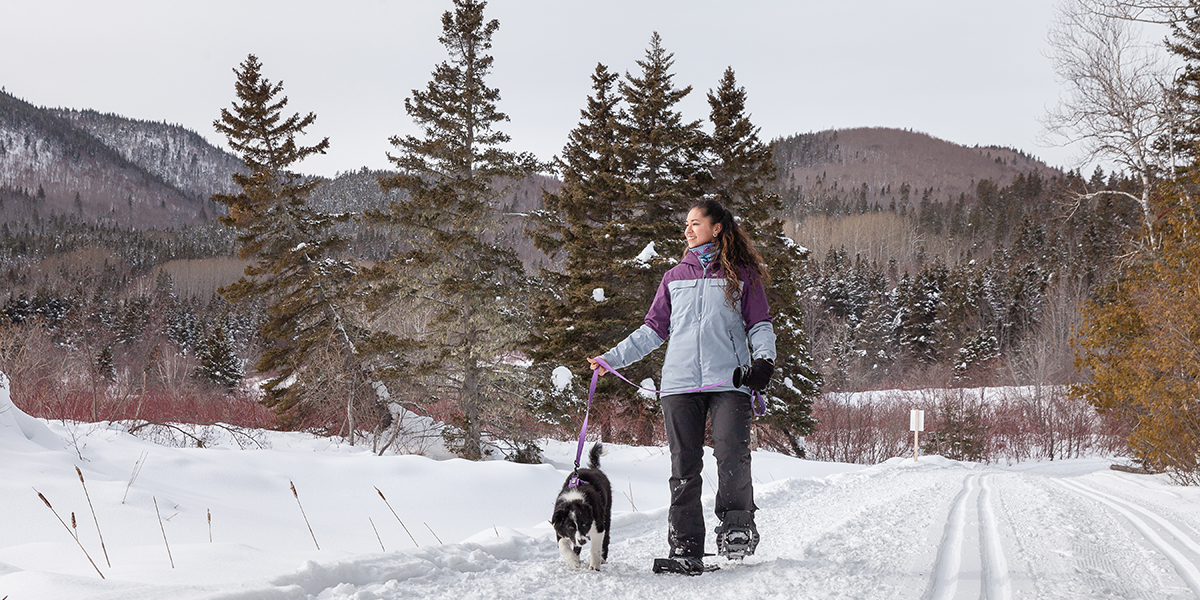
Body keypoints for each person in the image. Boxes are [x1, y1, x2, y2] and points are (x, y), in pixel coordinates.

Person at [589, 199, 776, 575]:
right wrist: (611, 358)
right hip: (680, 383)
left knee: (731, 453)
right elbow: (653, 330)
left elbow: (760, 323)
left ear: (717, 227)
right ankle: (685, 547)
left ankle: (737, 527)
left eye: (695, 223)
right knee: (684, 467)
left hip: (730, 380)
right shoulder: (675, 276)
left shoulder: (743, 275)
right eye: (686, 225)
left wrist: (764, 361)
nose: (687, 230)